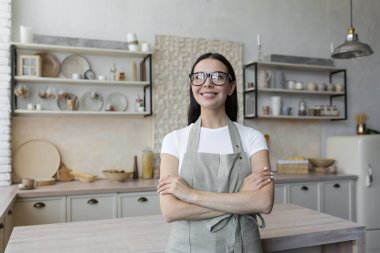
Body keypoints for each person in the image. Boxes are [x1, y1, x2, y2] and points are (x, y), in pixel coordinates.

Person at [157, 52, 274, 253]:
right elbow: (170, 211)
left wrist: (190, 195)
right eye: (199, 77)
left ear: (231, 87)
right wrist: (241, 198)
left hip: (243, 245)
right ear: (192, 85)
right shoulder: (174, 140)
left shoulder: (253, 138)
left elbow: (263, 202)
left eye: (218, 77)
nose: (207, 83)